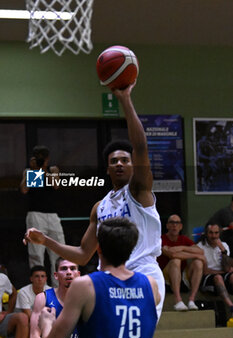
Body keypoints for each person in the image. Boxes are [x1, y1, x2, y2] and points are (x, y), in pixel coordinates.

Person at [24, 83, 165, 319]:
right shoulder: (100, 207)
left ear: (133, 165)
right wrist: (46, 240)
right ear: (107, 169)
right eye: (114, 161)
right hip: (108, 278)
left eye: (125, 160)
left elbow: (140, 146)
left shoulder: (140, 191)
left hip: (142, 275)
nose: (119, 163)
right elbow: (82, 254)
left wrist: (125, 100)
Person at [38, 218, 160, 338]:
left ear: (99, 248)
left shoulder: (85, 286)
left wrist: (47, 322)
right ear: (132, 248)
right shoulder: (150, 284)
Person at [20, 145, 66, 287]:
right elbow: (24, 190)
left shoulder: (52, 169)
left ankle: (59, 289)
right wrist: (34, 172)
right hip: (35, 214)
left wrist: (42, 170)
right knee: (36, 254)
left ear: (47, 158)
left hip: (52, 215)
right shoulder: (29, 171)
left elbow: (56, 185)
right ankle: (39, 290)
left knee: (58, 252)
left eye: (42, 157)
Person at [30, 258, 80, 338]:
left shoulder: (88, 298)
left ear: (78, 274)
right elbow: (34, 337)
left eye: (73, 268)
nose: (69, 272)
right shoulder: (43, 298)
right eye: (64, 269)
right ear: (56, 275)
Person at [157, 214, 205, 311]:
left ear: (181, 226)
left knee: (198, 263)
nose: (174, 225)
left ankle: (191, 300)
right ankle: (178, 300)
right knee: (176, 261)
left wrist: (182, 248)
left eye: (177, 223)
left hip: (182, 276)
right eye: (172, 222)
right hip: (166, 278)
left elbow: (201, 251)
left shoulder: (183, 239)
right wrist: (194, 255)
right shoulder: (161, 239)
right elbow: (172, 255)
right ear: (167, 226)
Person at [197, 223, 233, 316]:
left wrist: (223, 251)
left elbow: (227, 268)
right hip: (206, 279)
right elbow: (205, 271)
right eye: (211, 233)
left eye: (216, 233)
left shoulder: (224, 245)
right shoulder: (200, 246)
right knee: (218, 278)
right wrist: (223, 272)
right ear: (206, 233)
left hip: (221, 274)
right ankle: (231, 306)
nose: (214, 236)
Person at [0, 272, 29, 338]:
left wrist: (9, 311)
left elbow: (14, 293)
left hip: (1, 321)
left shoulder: (2, 278)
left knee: (22, 318)